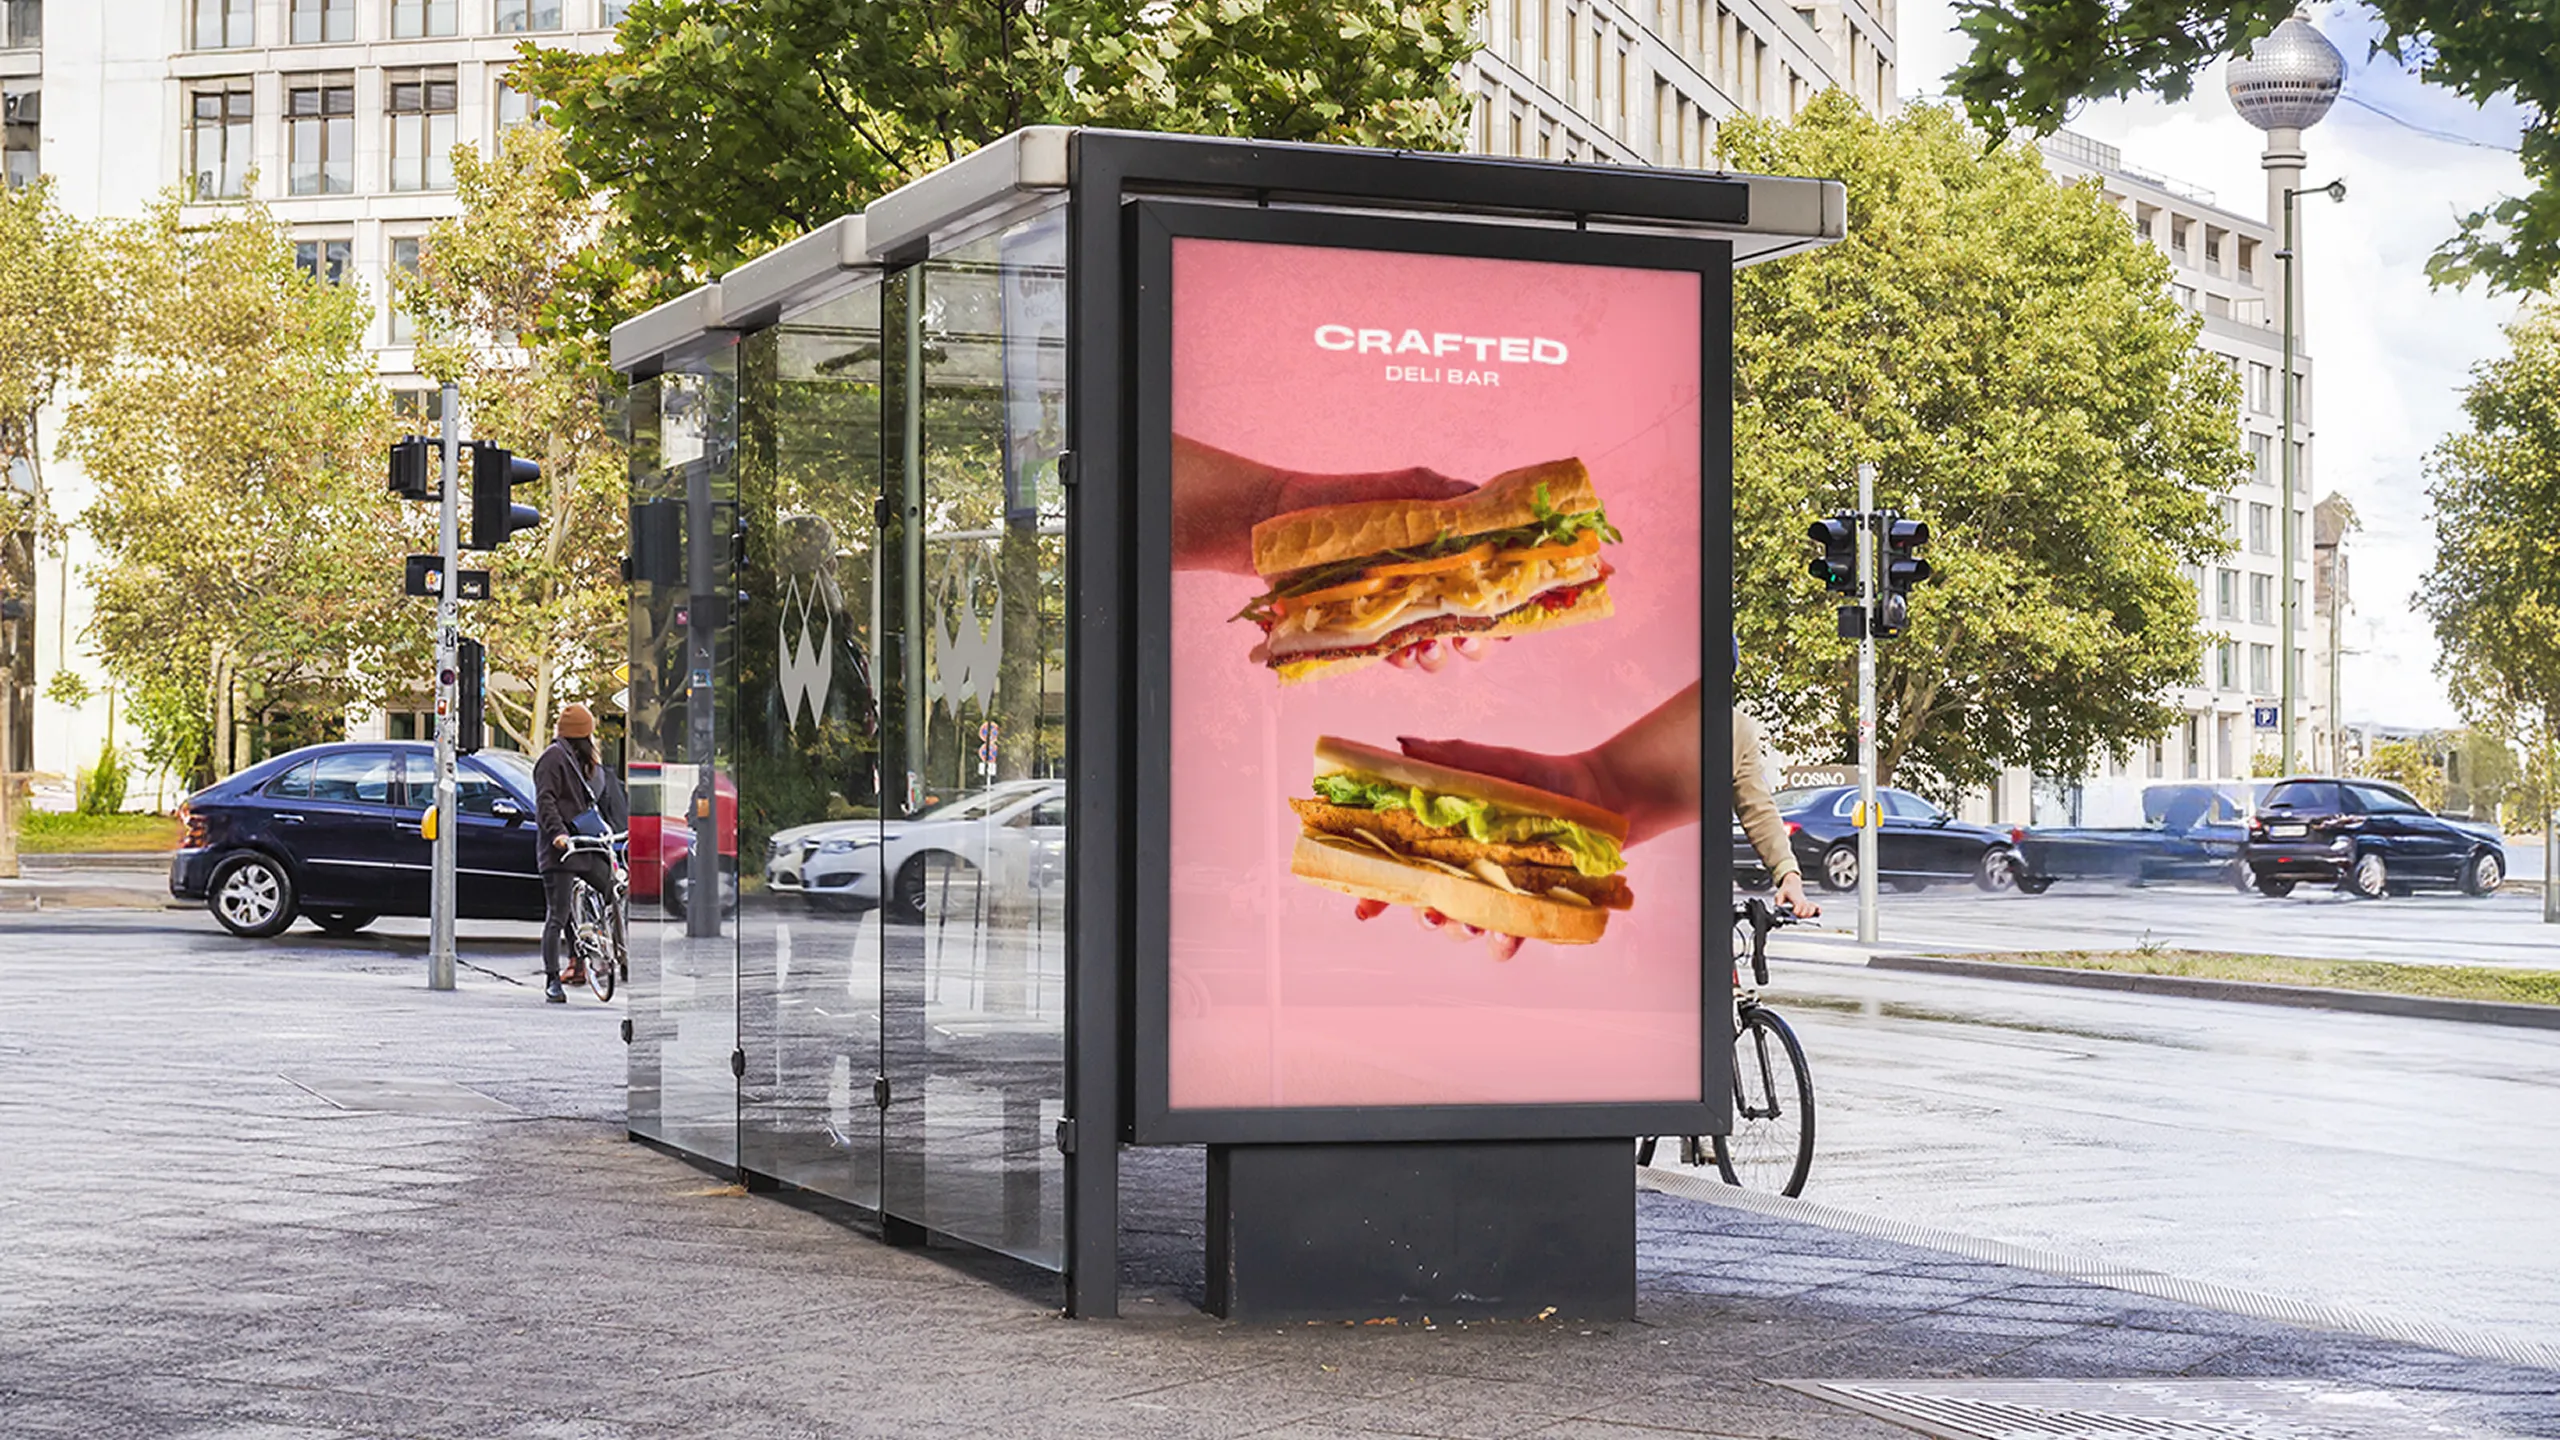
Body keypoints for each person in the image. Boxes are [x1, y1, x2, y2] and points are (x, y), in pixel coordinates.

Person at [1393, 676, 1820, 955]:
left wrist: (1789, 877)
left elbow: (1757, 806)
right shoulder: (1662, 696)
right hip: (1649, 884)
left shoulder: (1737, 729)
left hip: (1671, 885)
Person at [535, 703, 617, 1003]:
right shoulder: (552, 759)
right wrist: (558, 834)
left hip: (583, 843)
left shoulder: (581, 762)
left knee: (613, 887)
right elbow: (545, 802)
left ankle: (609, 946)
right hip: (560, 851)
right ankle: (552, 980)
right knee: (557, 915)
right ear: (582, 735)